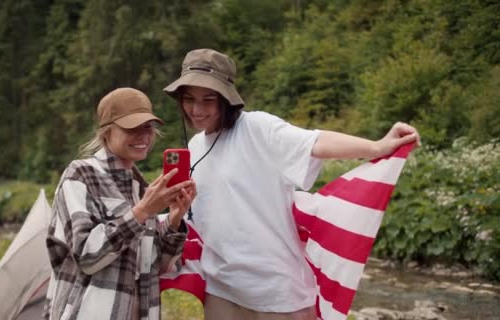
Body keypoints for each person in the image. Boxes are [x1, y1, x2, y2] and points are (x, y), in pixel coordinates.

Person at [163, 49, 420, 320]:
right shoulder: (194, 146)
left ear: (226, 99)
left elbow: (316, 142)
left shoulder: (257, 128)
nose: (197, 109)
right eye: (189, 99)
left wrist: (377, 147)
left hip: (278, 295)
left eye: (208, 99)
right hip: (221, 292)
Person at [43, 87, 197, 320]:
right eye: (131, 128)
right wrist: (142, 211)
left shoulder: (142, 188)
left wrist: (174, 218)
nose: (143, 135)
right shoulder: (81, 175)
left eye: (148, 127)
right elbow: (87, 256)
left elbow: (160, 267)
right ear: (106, 131)